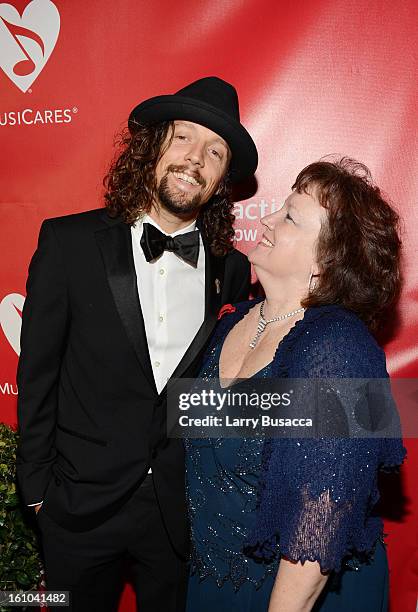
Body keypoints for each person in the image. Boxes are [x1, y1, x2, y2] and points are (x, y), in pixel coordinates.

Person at [16, 76, 257, 612]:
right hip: (77, 507)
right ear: (151, 148)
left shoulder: (234, 272)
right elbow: (37, 375)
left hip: (181, 512)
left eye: (215, 152)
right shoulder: (69, 243)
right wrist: (37, 491)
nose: (196, 159)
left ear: (222, 182)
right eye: (183, 139)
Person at [185, 157, 406, 611]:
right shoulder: (234, 322)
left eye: (289, 216)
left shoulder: (341, 350)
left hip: (290, 596)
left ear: (326, 262)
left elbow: (323, 514)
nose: (266, 218)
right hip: (215, 580)